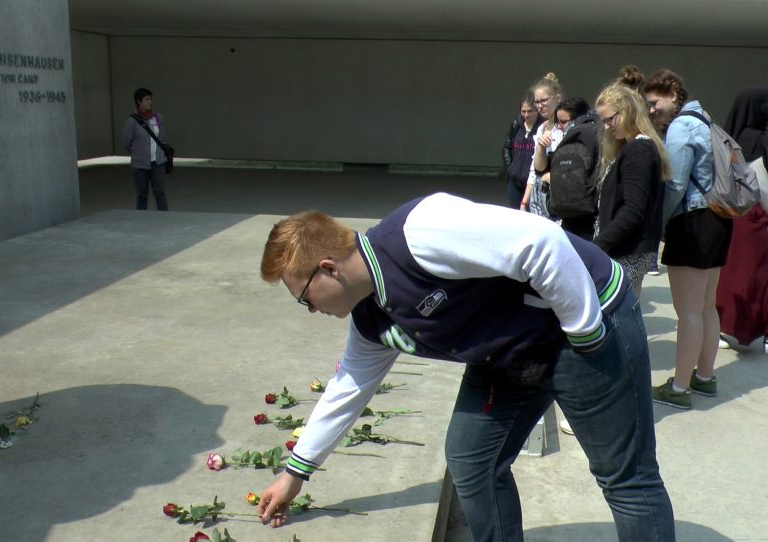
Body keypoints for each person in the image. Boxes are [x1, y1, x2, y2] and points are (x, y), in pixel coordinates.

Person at [257, 192, 675, 541]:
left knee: (625, 477)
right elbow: (349, 387)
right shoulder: (371, 318)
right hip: (514, 351)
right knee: (472, 458)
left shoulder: (419, 232)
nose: (310, 310)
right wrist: (297, 473)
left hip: (586, 320)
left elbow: (542, 242)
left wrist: (586, 333)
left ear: (328, 269)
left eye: (304, 299)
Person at [644, 70, 733, 409]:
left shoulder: (681, 127)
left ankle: (679, 388)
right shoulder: (705, 119)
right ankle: (705, 378)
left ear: (672, 93)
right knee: (707, 306)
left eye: (655, 103)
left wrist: (656, 225)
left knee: (688, 312)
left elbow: (675, 185)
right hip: (718, 221)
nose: (652, 110)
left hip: (692, 223)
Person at [593, 84, 670, 296]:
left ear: (627, 111)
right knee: (628, 315)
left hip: (628, 250)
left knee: (622, 319)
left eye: (611, 119)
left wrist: (599, 244)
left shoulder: (638, 150)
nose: (607, 126)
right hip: (630, 248)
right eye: (604, 121)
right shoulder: (635, 147)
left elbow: (633, 210)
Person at [715, 88, 768, 354]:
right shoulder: (762, 140)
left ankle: (726, 327)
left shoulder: (729, 138)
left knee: (732, 273)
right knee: (759, 274)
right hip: (760, 212)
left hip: (733, 211)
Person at [548, 96, 600, 240]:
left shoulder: (583, 137)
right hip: (588, 212)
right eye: (558, 122)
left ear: (577, 119)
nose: (561, 127)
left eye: (564, 122)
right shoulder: (598, 133)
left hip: (569, 215)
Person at [521, 73, 564, 217]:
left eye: (544, 101)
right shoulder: (541, 128)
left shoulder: (566, 128)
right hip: (540, 197)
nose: (540, 106)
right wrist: (524, 202)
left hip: (559, 196)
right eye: (537, 102)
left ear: (558, 98)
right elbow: (536, 169)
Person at [123, 87, 169, 211]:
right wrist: (138, 153)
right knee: (142, 194)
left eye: (150, 99)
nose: (150, 102)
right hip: (140, 164)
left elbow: (161, 136)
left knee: (160, 192)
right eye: (146, 99)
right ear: (139, 101)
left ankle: (164, 218)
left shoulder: (158, 117)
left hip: (158, 162)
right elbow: (127, 142)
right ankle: (141, 219)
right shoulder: (132, 121)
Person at [503, 94, 543, 209]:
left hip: (532, 182)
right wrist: (510, 168)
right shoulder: (516, 125)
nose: (526, 114)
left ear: (537, 111)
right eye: (523, 111)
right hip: (514, 180)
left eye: (530, 111)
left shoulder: (542, 127)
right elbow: (506, 147)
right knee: (515, 214)